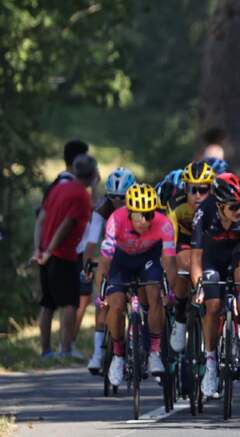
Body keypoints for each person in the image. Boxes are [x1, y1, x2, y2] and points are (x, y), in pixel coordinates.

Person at [99, 184, 177, 386]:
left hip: (148, 260)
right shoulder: (116, 219)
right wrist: (101, 290)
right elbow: (105, 260)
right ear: (129, 213)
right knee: (115, 306)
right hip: (121, 261)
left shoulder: (163, 224)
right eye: (139, 215)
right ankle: (118, 354)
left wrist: (171, 291)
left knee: (154, 294)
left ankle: (154, 351)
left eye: (149, 215)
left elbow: (169, 261)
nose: (144, 220)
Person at [190, 172, 240, 398]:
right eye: (234, 207)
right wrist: (199, 286)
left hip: (237, 257)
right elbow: (196, 257)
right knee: (213, 306)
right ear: (220, 205)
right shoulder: (204, 212)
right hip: (212, 259)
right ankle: (212, 362)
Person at [35, 154, 96, 360]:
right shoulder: (81, 195)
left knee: (48, 303)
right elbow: (67, 225)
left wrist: (39, 250)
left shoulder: (58, 188)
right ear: (93, 174)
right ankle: (66, 348)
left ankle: (45, 351)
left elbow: (41, 219)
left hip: (45, 252)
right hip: (62, 254)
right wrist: (52, 250)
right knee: (70, 303)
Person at [82, 167, 136, 373]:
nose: (118, 203)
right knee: (103, 300)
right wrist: (87, 264)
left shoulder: (140, 207)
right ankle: (97, 352)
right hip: (112, 252)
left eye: (123, 198)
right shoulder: (102, 209)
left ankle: (140, 340)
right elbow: (91, 241)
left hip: (134, 252)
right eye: (113, 197)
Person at [168, 160, 216, 352]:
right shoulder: (176, 205)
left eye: (203, 190)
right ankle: (180, 317)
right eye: (192, 189)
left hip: (209, 243)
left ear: (211, 189)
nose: (197, 195)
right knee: (183, 264)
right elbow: (170, 242)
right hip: (185, 242)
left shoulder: (217, 204)